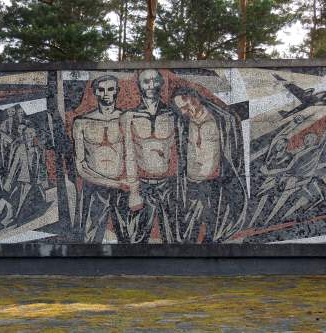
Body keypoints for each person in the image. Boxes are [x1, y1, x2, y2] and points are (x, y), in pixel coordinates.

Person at [170, 87, 248, 243]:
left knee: (213, 222)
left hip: (214, 181)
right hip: (191, 180)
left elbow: (234, 152)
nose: (184, 112)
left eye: (185, 107)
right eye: (181, 110)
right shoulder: (182, 123)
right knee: (190, 224)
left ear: (195, 99)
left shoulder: (221, 120)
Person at [72, 75, 131, 243]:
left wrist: (125, 184)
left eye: (111, 89)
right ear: (95, 93)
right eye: (101, 89)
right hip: (95, 188)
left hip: (123, 186)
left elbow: (134, 155)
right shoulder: (82, 122)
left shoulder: (127, 118)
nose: (106, 93)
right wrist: (113, 184)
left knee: (127, 236)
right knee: (91, 237)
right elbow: (81, 166)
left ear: (117, 92)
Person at [122, 69, 178, 243]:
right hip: (143, 184)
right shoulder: (130, 116)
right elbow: (129, 154)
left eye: (155, 81)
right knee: (138, 237)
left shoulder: (172, 114)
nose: (151, 86)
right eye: (146, 81)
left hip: (167, 184)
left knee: (172, 236)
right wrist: (134, 191)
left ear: (161, 83)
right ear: (139, 85)